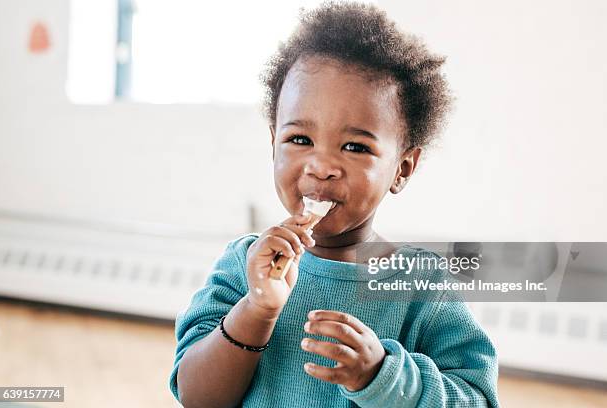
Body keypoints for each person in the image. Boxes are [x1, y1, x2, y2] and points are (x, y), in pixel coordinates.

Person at [170, 2, 499, 407]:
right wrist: (256, 311)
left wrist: (382, 375)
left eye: (355, 146)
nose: (322, 165)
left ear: (403, 168)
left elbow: (476, 400)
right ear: (274, 143)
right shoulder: (242, 265)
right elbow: (198, 397)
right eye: (300, 140)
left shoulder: (423, 289)